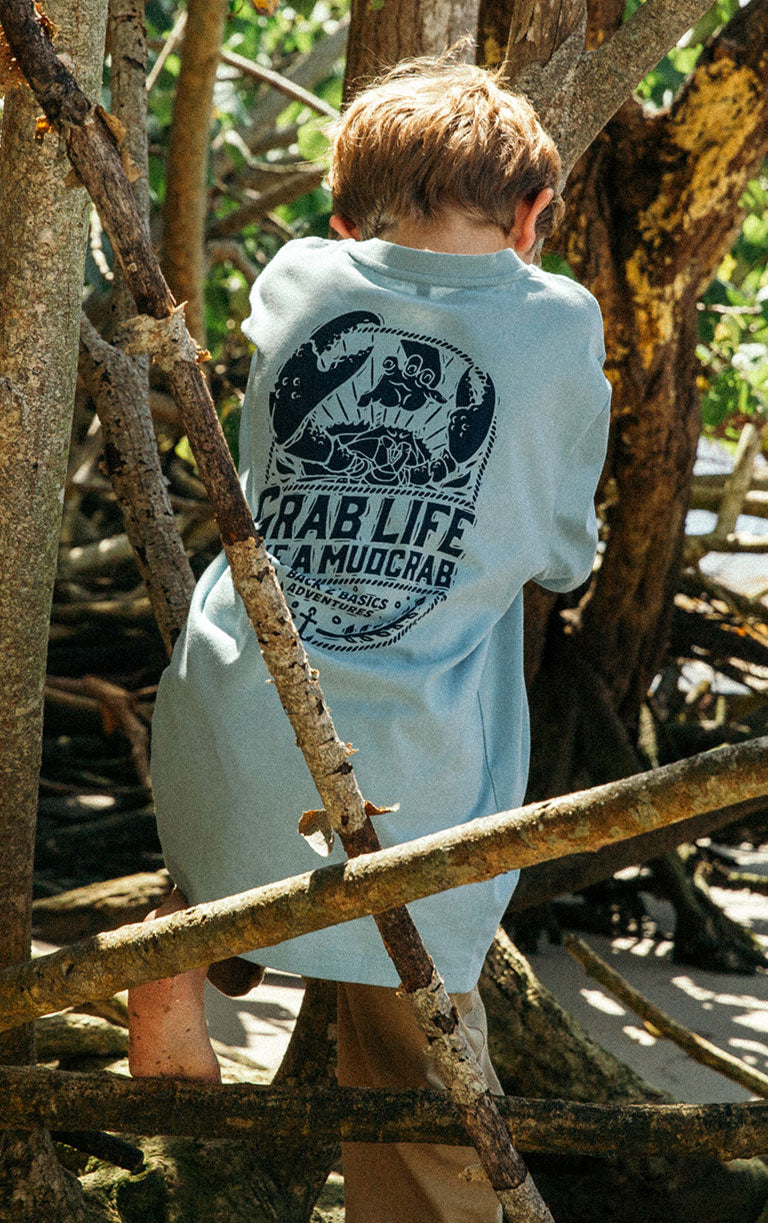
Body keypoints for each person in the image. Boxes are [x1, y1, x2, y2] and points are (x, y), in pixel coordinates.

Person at [129, 51, 611, 1222]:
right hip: (398, 779)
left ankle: (181, 941)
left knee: (251, 838)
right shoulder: (554, 322)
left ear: (341, 216)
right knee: (426, 1045)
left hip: (225, 724)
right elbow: (562, 550)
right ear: (535, 214)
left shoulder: (296, 278)